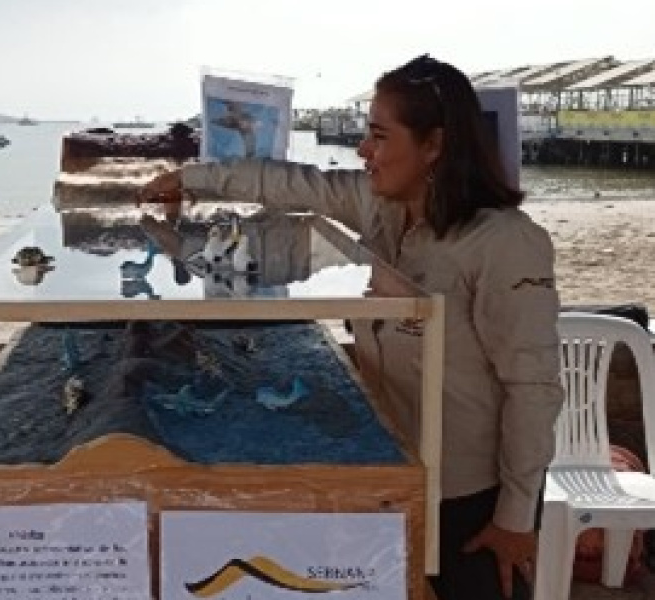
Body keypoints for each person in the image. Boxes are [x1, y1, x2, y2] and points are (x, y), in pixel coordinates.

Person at [140, 55, 564, 600]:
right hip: (394, 476)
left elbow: (534, 388)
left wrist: (514, 518)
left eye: (379, 136)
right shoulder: (381, 206)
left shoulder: (504, 243)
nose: (363, 151)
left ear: (434, 145)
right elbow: (288, 183)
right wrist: (188, 179)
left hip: (469, 500)